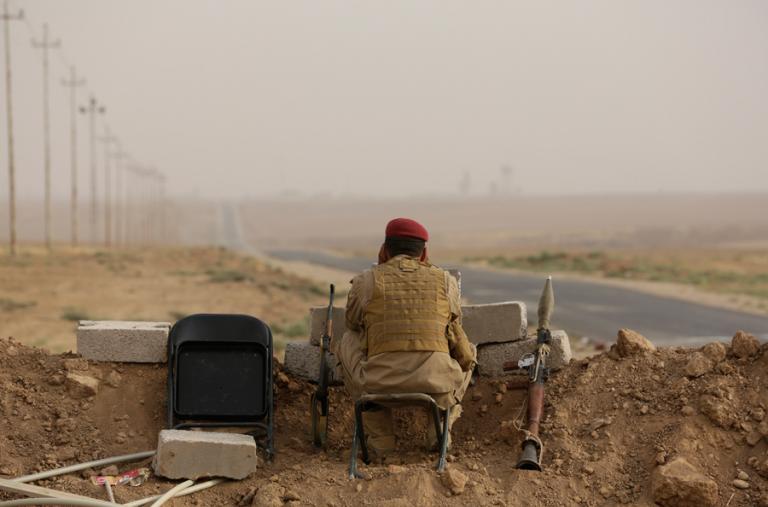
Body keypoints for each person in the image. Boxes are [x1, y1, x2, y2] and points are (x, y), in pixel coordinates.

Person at [331, 217, 476, 459]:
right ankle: (439, 431)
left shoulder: (366, 280)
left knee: (347, 339)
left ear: (384, 250)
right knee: (467, 349)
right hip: (437, 385)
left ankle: (381, 440)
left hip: (378, 384)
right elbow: (454, 329)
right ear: (424, 253)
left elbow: (353, 323)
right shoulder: (446, 281)